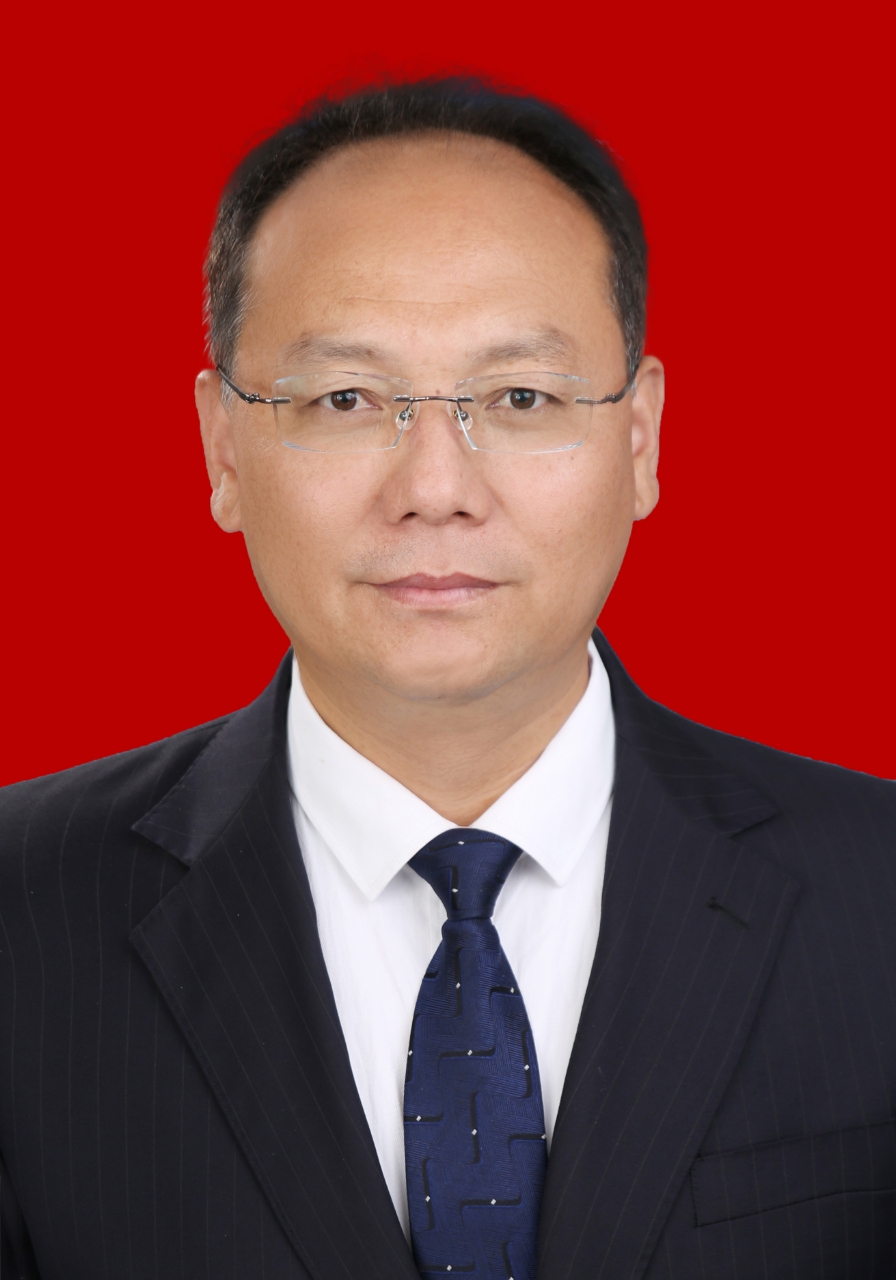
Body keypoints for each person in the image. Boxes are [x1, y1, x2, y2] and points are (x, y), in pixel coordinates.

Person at [0, 78, 893, 1280]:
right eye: (346, 398)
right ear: (222, 447)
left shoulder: (876, 892)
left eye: (519, 397)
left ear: (638, 437)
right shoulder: (22, 912)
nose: (433, 487)